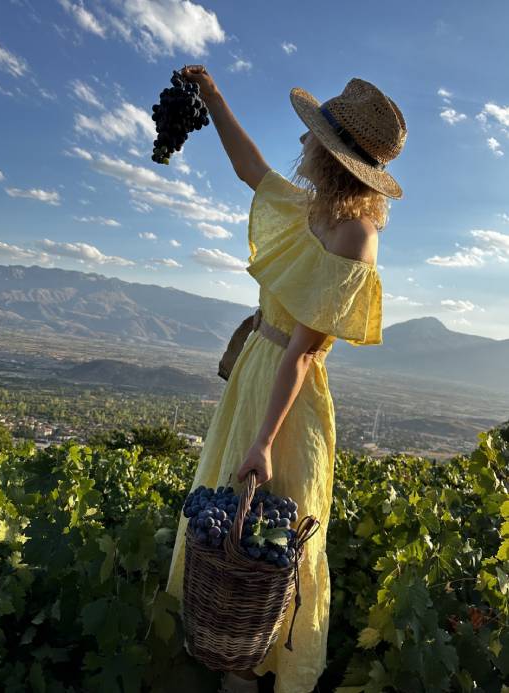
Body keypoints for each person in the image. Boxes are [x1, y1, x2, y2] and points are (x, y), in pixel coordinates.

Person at [162, 66, 404, 693]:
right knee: (236, 521)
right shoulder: (313, 209)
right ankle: (232, 656)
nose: (302, 143)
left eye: (312, 136)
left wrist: (265, 440)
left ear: (333, 155)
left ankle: (253, 665)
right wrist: (213, 98)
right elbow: (251, 169)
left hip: (287, 401)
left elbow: (301, 352)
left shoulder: (355, 235)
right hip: (256, 373)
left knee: (273, 531)